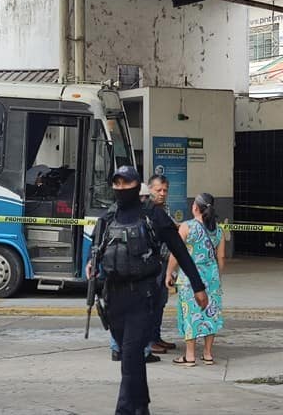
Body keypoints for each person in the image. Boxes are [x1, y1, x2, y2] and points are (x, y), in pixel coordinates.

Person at [86, 165, 208, 415]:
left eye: (126, 184)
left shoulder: (153, 216)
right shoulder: (107, 217)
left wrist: (198, 287)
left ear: (136, 185)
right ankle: (141, 408)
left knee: (130, 358)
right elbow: (96, 250)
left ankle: (124, 411)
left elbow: (180, 251)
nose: (121, 188)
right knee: (131, 359)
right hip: (114, 298)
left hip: (143, 297)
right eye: (116, 184)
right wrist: (91, 264)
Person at [166, 193, 225, 367]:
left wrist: (169, 272)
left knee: (190, 314)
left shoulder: (187, 227)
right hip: (211, 278)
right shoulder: (218, 229)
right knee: (211, 314)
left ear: (195, 207)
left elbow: (176, 253)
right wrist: (217, 277)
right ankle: (207, 354)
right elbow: (221, 258)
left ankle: (189, 355)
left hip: (190, 278)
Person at [108, 183, 160, 363]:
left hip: (115, 273)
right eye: (145, 198)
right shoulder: (141, 219)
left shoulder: (113, 213)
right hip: (135, 274)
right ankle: (143, 352)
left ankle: (117, 349)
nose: (146, 201)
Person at [147, 174, 177, 355]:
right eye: (159, 190)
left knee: (160, 303)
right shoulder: (146, 210)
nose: (162, 193)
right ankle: (149, 341)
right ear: (150, 189)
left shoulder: (165, 209)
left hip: (164, 264)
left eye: (165, 190)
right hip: (152, 264)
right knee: (150, 303)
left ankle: (156, 337)